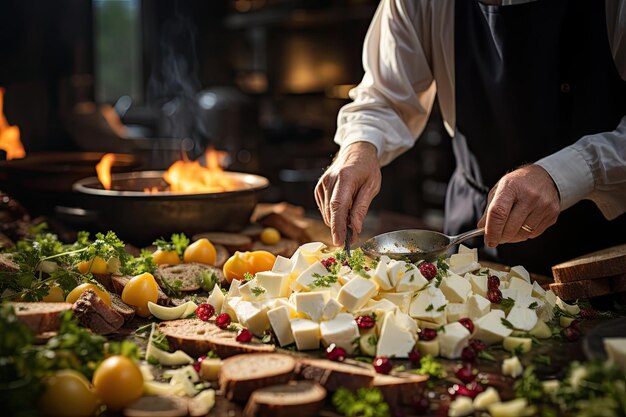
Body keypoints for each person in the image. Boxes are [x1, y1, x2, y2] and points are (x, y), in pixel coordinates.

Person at [315, 0, 626, 275]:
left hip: (600, 248)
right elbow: (385, 95)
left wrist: (569, 172)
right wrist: (359, 147)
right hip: (471, 238)